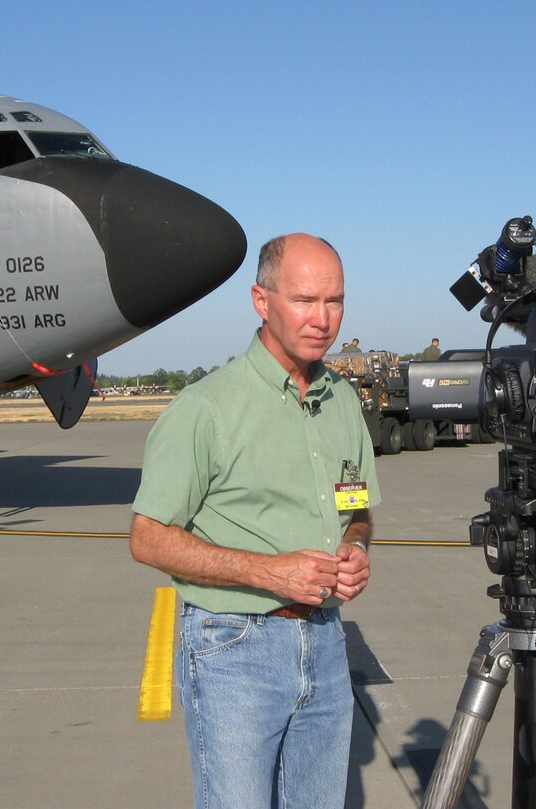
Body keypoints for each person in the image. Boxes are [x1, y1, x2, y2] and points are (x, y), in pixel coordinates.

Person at [129, 233, 380, 809]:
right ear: (261, 301)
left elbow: (356, 508)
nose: (322, 319)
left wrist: (357, 549)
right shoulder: (205, 408)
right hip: (233, 648)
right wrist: (269, 573)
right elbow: (147, 539)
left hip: (326, 642)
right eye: (304, 300)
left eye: (334, 301)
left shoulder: (343, 400)